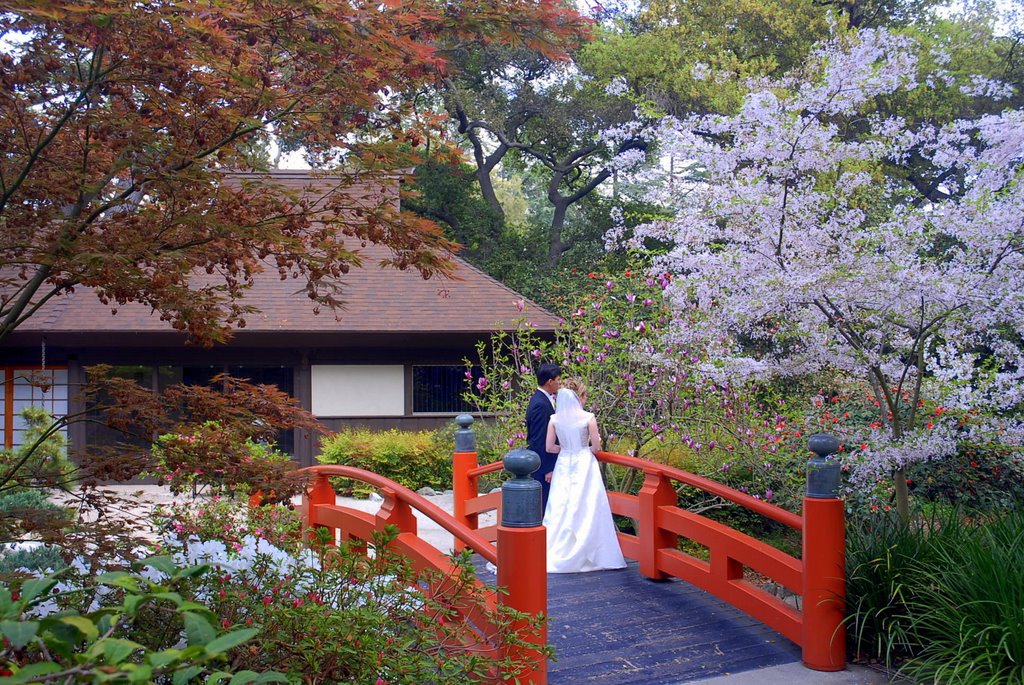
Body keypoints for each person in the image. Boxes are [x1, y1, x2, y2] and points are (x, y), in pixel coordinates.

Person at [543, 379, 626, 573]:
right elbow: (596, 447)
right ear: (579, 396)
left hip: (564, 462)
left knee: (561, 505)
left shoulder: (554, 419)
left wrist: (564, 449)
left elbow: (549, 447)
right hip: (584, 463)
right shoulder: (588, 417)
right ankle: (590, 550)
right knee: (588, 504)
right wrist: (584, 448)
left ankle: (555, 548)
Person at [525, 363, 561, 510]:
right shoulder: (541, 404)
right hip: (543, 468)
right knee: (544, 506)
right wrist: (548, 468)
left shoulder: (541, 399)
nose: (560, 383)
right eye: (558, 379)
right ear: (550, 381)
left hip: (543, 463)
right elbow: (539, 438)